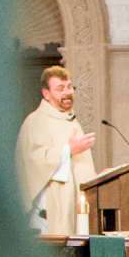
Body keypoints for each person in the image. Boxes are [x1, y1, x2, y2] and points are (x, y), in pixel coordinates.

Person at [14, 64, 96, 237]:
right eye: (60, 89)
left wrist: (97, 178)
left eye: (69, 87)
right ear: (46, 94)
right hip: (49, 207)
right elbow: (32, 161)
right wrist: (68, 150)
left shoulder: (71, 121)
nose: (67, 93)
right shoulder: (35, 121)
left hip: (74, 203)